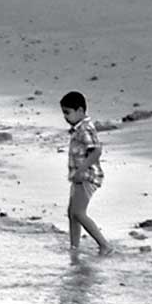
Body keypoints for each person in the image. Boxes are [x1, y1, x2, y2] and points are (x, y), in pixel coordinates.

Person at [59, 91, 113, 254]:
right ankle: (74, 246)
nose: (65, 117)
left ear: (80, 111)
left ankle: (104, 245)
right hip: (78, 177)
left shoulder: (85, 129)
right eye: (64, 113)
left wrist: (81, 170)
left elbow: (96, 151)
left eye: (68, 113)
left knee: (78, 212)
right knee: (71, 213)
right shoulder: (78, 129)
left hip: (87, 176)